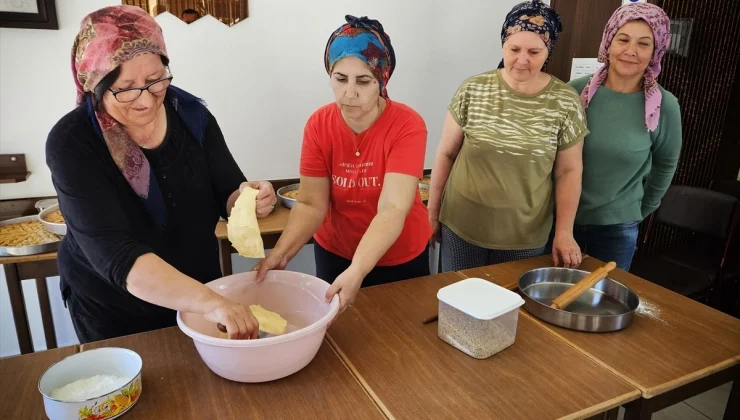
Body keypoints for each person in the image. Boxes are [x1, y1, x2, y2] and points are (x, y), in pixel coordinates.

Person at [46, 5, 277, 343]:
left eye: (155, 80)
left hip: (198, 293)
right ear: (95, 85)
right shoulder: (73, 143)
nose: (146, 100)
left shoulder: (192, 116)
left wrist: (248, 200)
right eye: (126, 88)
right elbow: (118, 257)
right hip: (114, 309)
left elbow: (226, 190)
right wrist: (211, 303)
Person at [254, 15, 431, 312]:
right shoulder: (319, 125)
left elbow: (393, 208)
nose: (350, 93)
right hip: (336, 252)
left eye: (363, 81)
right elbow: (311, 203)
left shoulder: (407, 125)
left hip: (399, 257)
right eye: (340, 79)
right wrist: (280, 253)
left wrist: (359, 268)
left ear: (382, 80)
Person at [428, 0, 587, 272]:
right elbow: (446, 153)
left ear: (548, 51)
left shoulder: (565, 101)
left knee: (509, 310)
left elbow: (569, 171)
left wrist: (564, 231)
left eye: (534, 51)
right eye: (514, 49)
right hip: (462, 226)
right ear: (503, 44)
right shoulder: (473, 89)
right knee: (459, 308)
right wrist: (431, 214)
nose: (522, 60)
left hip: (523, 235)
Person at [564, 3, 681, 271]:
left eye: (643, 43)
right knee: (549, 300)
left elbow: (666, 163)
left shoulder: (665, 105)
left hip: (616, 230)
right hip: (560, 222)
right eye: (623, 39)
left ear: (655, 51)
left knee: (603, 306)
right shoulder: (572, 93)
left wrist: (642, 209)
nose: (631, 51)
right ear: (608, 42)